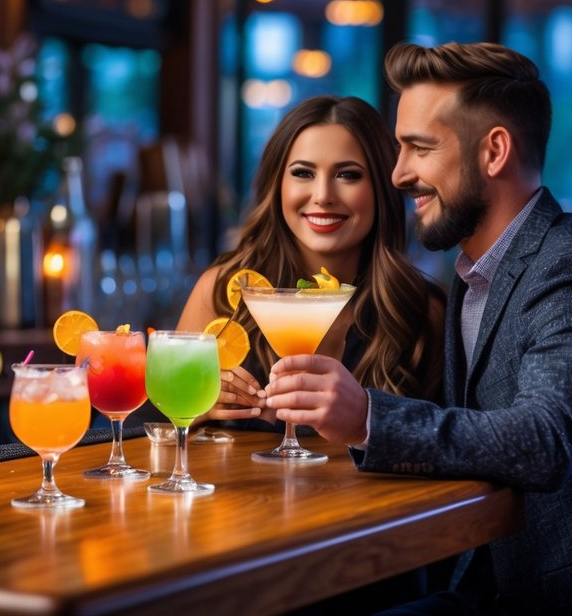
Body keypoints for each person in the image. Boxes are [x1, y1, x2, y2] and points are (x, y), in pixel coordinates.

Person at [264, 43, 572, 614]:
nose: (398, 174)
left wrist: (367, 416)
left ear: (494, 151)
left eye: (420, 148)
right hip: (491, 583)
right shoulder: (475, 274)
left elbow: (544, 443)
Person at [176, 95, 444, 432]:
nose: (322, 195)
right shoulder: (223, 292)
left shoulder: (420, 313)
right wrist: (196, 410)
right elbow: (155, 433)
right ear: (278, 186)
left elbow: (439, 443)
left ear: (380, 188)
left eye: (348, 175)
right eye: (303, 172)